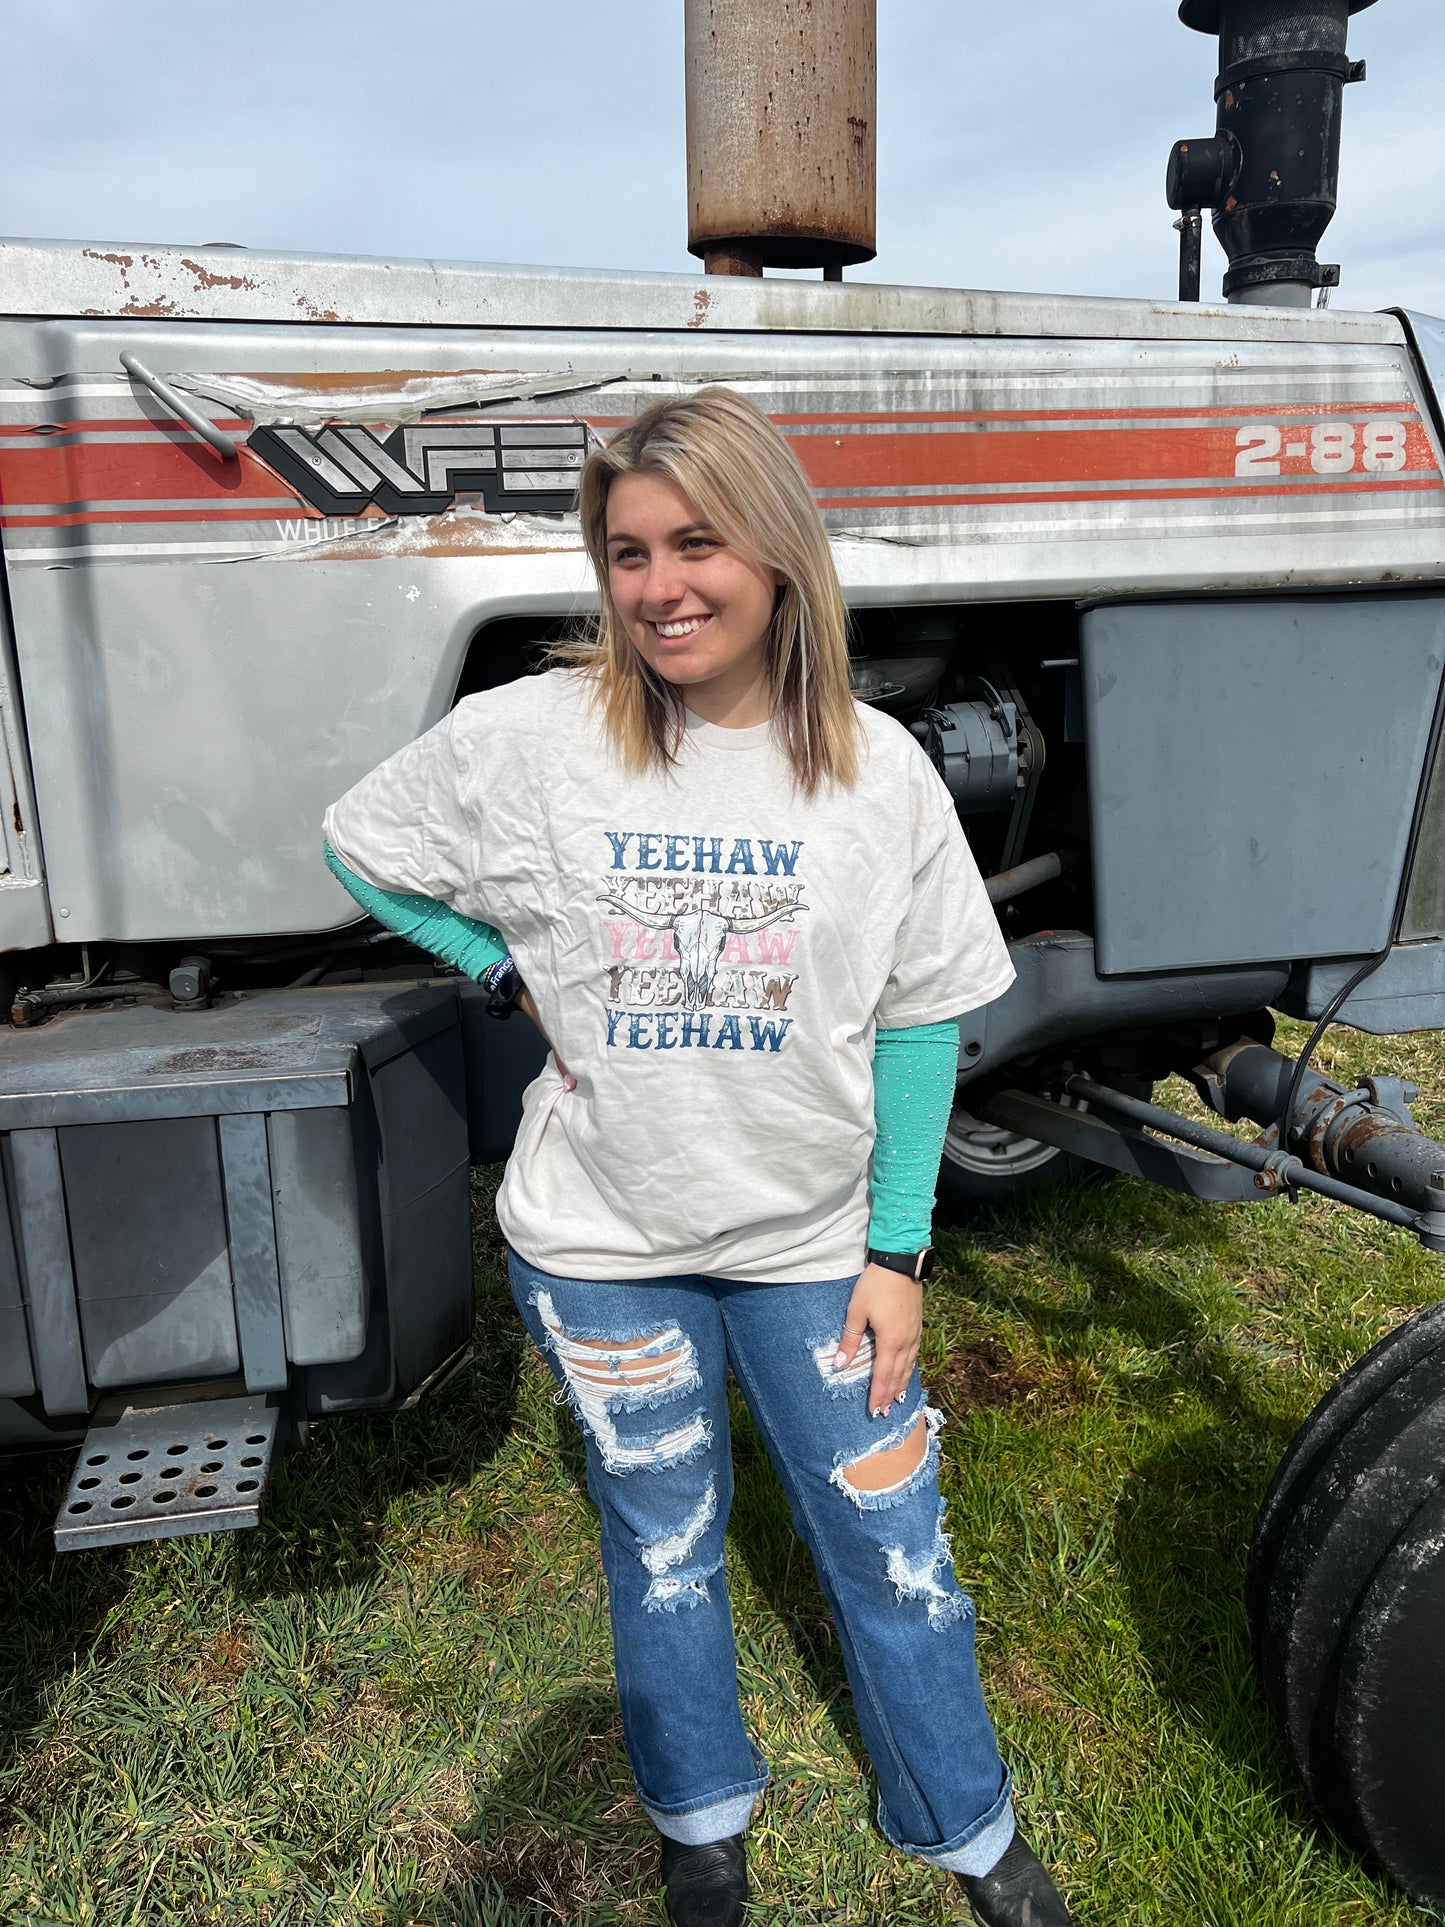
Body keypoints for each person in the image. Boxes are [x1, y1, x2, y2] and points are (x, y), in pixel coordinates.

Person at [322, 387, 1073, 1927]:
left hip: (814, 1251)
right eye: (625, 552)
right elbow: (356, 844)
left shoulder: (875, 771)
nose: (660, 585)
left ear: (778, 556)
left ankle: (965, 1824)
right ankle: (699, 1819)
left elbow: (923, 1024)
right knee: (663, 1548)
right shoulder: (529, 739)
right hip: (602, 1245)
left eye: (697, 543)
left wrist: (897, 1252)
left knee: (890, 1541)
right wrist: (495, 965)